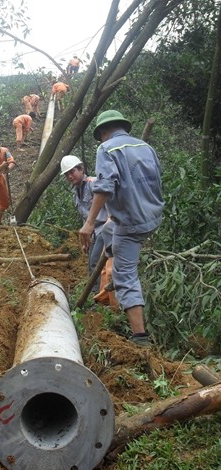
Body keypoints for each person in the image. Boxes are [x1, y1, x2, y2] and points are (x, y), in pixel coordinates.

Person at [79, 110, 164, 347]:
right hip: (152, 215)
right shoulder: (146, 147)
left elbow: (105, 187)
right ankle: (112, 253)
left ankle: (140, 337)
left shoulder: (106, 149)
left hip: (131, 222)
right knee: (108, 231)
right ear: (123, 127)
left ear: (103, 132)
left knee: (124, 273)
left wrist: (88, 223)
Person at [60, 155, 108, 291]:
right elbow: (85, 218)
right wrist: (85, 240)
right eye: (67, 174)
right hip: (94, 233)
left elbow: (111, 201)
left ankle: (97, 299)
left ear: (81, 169)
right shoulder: (76, 193)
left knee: (95, 264)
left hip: (105, 228)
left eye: (72, 172)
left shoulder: (94, 183)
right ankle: (99, 296)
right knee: (92, 264)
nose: (70, 176)